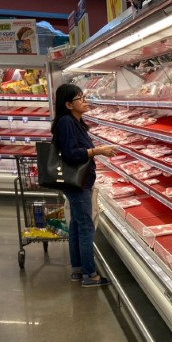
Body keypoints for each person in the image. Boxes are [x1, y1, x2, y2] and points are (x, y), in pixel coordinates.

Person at [51, 83, 116, 287]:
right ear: (69, 104)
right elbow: (71, 154)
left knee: (77, 226)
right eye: (80, 98)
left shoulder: (75, 121)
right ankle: (90, 275)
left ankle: (78, 270)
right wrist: (97, 151)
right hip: (77, 184)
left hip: (79, 182)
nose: (85, 101)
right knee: (86, 227)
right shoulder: (66, 123)